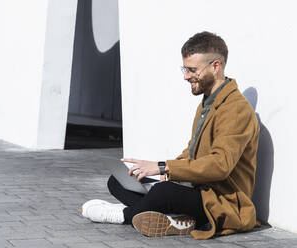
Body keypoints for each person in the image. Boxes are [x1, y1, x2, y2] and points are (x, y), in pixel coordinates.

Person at [81, 31, 260, 240]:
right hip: (195, 189)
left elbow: (220, 165)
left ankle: (124, 214)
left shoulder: (236, 109)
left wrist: (164, 167)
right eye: (185, 69)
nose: (186, 76)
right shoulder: (208, 102)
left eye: (192, 70)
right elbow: (193, 151)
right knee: (118, 181)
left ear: (216, 66)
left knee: (163, 193)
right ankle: (173, 217)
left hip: (221, 201)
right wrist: (165, 172)